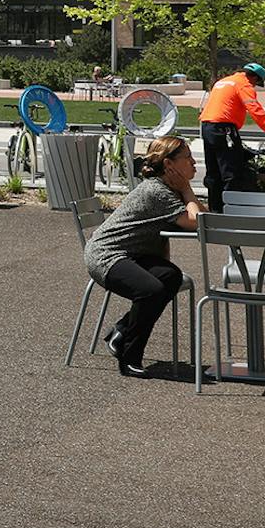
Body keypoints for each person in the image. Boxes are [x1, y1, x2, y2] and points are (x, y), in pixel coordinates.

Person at [82, 135, 203, 377]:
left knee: (170, 276)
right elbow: (196, 221)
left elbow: (201, 215)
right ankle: (129, 357)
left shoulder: (168, 189)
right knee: (151, 291)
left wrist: (187, 195)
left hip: (132, 254)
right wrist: (188, 190)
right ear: (169, 165)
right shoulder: (156, 191)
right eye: (188, 158)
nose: (194, 163)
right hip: (108, 255)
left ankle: (121, 331)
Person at [198, 61, 265, 212]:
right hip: (224, 129)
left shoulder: (222, 82)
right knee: (231, 172)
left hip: (207, 126)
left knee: (213, 172)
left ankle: (215, 211)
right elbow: (255, 110)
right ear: (255, 78)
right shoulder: (243, 84)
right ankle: (231, 211)